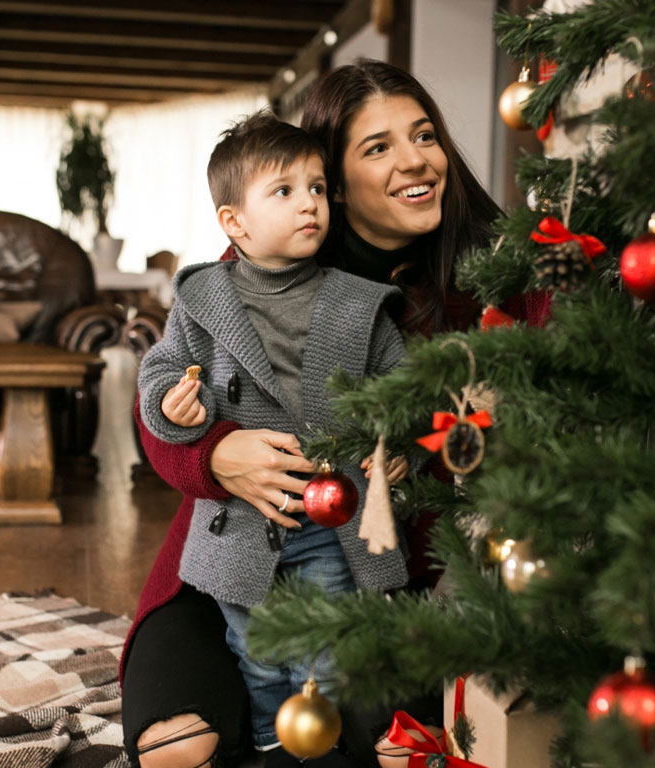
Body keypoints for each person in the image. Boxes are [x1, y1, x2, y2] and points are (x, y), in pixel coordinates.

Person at [121, 59, 551, 768]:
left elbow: (565, 381)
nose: (416, 160)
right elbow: (164, 403)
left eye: (423, 136)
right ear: (335, 182)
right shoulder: (257, 264)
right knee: (179, 745)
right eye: (377, 147)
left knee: (362, 733)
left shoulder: (497, 275)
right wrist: (214, 456)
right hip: (234, 558)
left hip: (400, 582)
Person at [134, 109, 411, 766]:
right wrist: (173, 407)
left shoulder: (356, 301)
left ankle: (314, 751)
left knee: (329, 651)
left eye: (316, 188)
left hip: (330, 519)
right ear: (235, 222)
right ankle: (266, 742)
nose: (309, 204)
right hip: (237, 523)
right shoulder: (204, 297)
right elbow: (163, 370)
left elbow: (399, 381)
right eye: (283, 192)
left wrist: (392, 440)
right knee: (255, 653)